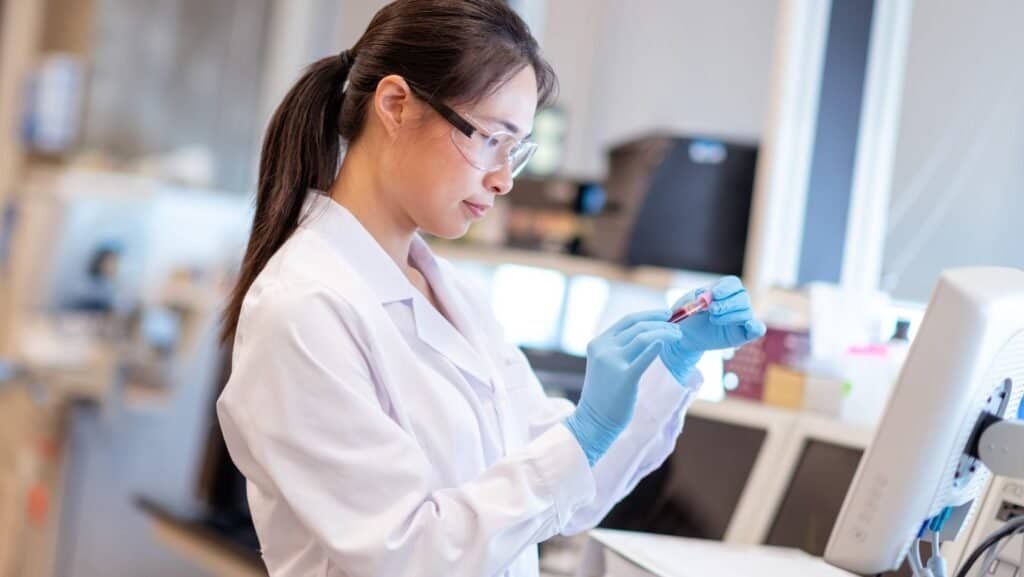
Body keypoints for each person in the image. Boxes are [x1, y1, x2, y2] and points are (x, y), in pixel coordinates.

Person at [216, 2, 766, 576]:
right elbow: (407, 554)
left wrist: (666, 369)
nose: (504, 178)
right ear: (396, 106)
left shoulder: (451, 293)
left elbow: (565, 496)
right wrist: (585, 432)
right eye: (491, 139)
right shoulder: (303, 307)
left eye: (517, 149)